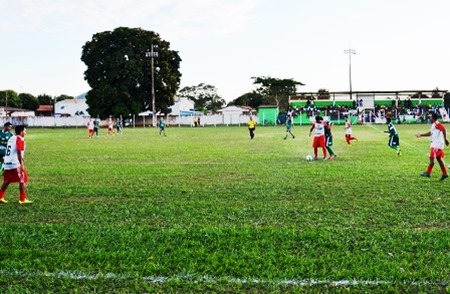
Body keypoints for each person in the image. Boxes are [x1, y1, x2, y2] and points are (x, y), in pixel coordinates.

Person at [0, 125, 32, 204]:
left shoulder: (11, 138)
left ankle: (0, 197)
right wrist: (21, 164)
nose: (25, 132)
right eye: (24, 131)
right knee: (22, 180)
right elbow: (19, 151)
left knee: (7, 180)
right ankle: (22, 199)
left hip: (7, 162)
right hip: (15, 163)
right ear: (21, 132)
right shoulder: (20, 138)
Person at [416, 112, 449, 181]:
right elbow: (430, 133)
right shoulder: (434, 125)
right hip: (436, 144)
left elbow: (443, 128)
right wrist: (421, 135)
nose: (430, 118)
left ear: (433, 118)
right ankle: (445, 173)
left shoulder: (436, 124)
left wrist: (446, 139)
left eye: (431, 117)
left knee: (432, 158)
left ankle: (428, 172)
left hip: (436, 145)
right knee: (438, 159)